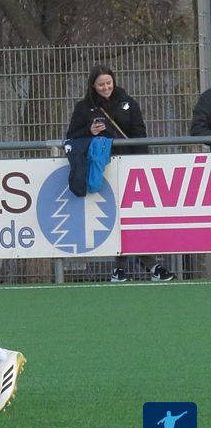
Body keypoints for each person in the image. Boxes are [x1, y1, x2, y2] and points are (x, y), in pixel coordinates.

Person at [66, 64, 175, 283]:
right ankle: (133, 267)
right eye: (101, 85)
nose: (106, 88)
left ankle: (141, 265)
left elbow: (139, 133)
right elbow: (71, 136)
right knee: (115, 217)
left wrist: (140, 163)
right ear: (92, 85)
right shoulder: (84, 108)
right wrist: (89, 131)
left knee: (134, 217)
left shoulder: (128, 103)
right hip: (102, 168)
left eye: (109, 83)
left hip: (129, 166)